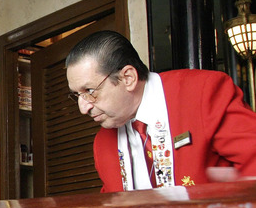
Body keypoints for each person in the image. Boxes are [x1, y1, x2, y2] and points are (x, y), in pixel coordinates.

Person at [66, 30, 256, 192]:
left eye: (90, 91)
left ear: (128, 78)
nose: (83, 108)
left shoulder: (203, 93)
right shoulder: (103, 144)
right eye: (77, 95)